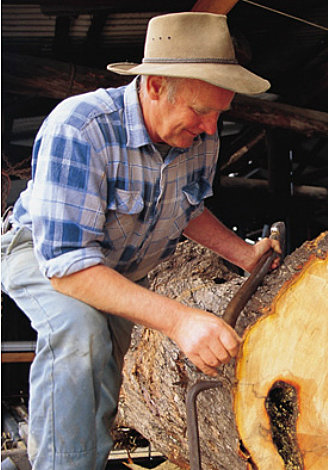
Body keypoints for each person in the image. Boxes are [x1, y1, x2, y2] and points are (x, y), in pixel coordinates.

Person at [1, 12, 276, 470]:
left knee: (103, 378)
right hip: (42, 251)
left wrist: (244, 254)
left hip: (116, 270)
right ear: (153, 86)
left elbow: (188, 209)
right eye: (201, 111)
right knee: (80, 333)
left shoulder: (198, 140)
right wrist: (181, 321)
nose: (211, 129)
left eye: (219, 114)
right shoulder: (82, 128)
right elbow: (68, 265)